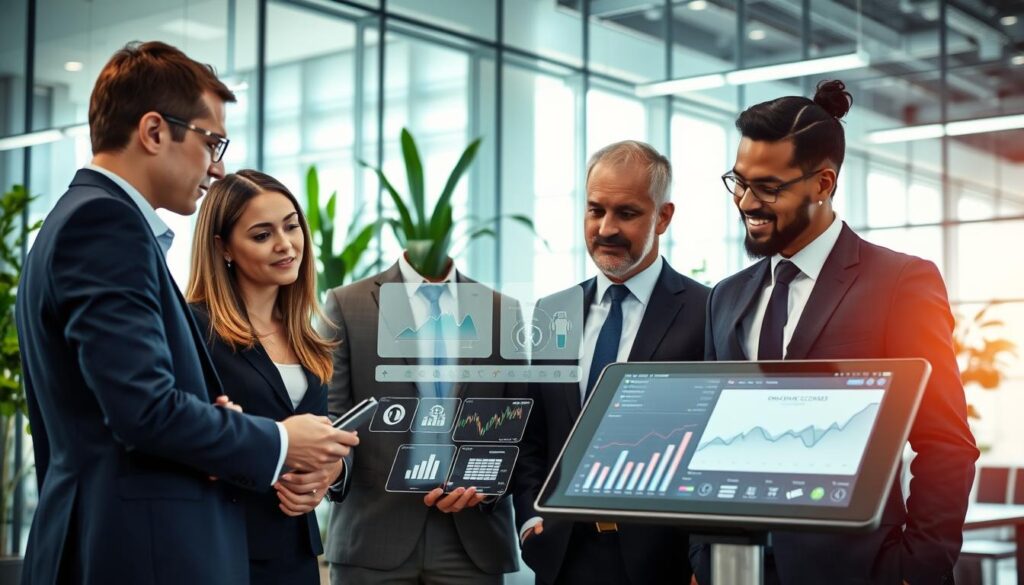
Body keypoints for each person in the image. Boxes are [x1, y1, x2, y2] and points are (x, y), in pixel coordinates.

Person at [15, 41, 357, 585]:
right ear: (154, 132)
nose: (218, 166)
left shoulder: (86, 218)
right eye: (211, 141)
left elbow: (127, 401)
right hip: (131, 549)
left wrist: (210, 413)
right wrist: (282, 441)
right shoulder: (104, 223)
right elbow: (143, 411)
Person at [689, 80, 979, 585]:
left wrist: (915, 568)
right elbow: (710, 439)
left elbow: (945, 442)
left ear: (823, 184)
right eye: (739, 181)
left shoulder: (900, 283)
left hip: (859, 569)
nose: (745, 202)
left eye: (768, 187)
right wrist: (702, 553)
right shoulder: (726, 296)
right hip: (739, 567)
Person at [514, 140, 708, 585]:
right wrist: (529, 520)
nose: (605, 228)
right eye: (595, 210)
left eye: (627, 213)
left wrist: (704, 554)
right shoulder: (553, 311)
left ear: (663, 216)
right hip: (561, 556)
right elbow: (532, 433)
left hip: (664, 562)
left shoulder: (706, 311)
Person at [322, 251, 521, 584]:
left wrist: (489, 487)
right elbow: (334, 416)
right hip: (372, 537)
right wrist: (331, 467)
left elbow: (518, 424)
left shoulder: (502, 310)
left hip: (472, 541)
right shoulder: (347, 304)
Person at [187, 170, 342, 584]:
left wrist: (329, 472)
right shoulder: (193, 328)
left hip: (295, 551)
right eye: (261, 235)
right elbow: (183, 437)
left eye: (292, 226)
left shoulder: (307, 336)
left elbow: (320, 434)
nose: (285, 244)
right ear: (223, 248)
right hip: (224, 547)